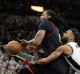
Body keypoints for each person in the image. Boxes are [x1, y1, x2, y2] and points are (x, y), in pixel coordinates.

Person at [19, 10, 68, 74]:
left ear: (49, 16)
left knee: (24, 72)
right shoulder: (55, 28)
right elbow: (38, 39)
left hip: (51, 65)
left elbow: (37, 42)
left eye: (43, 14)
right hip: (57, 65)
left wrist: (26, 47)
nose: (40, 16)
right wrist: (28, 42)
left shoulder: (45, 23)